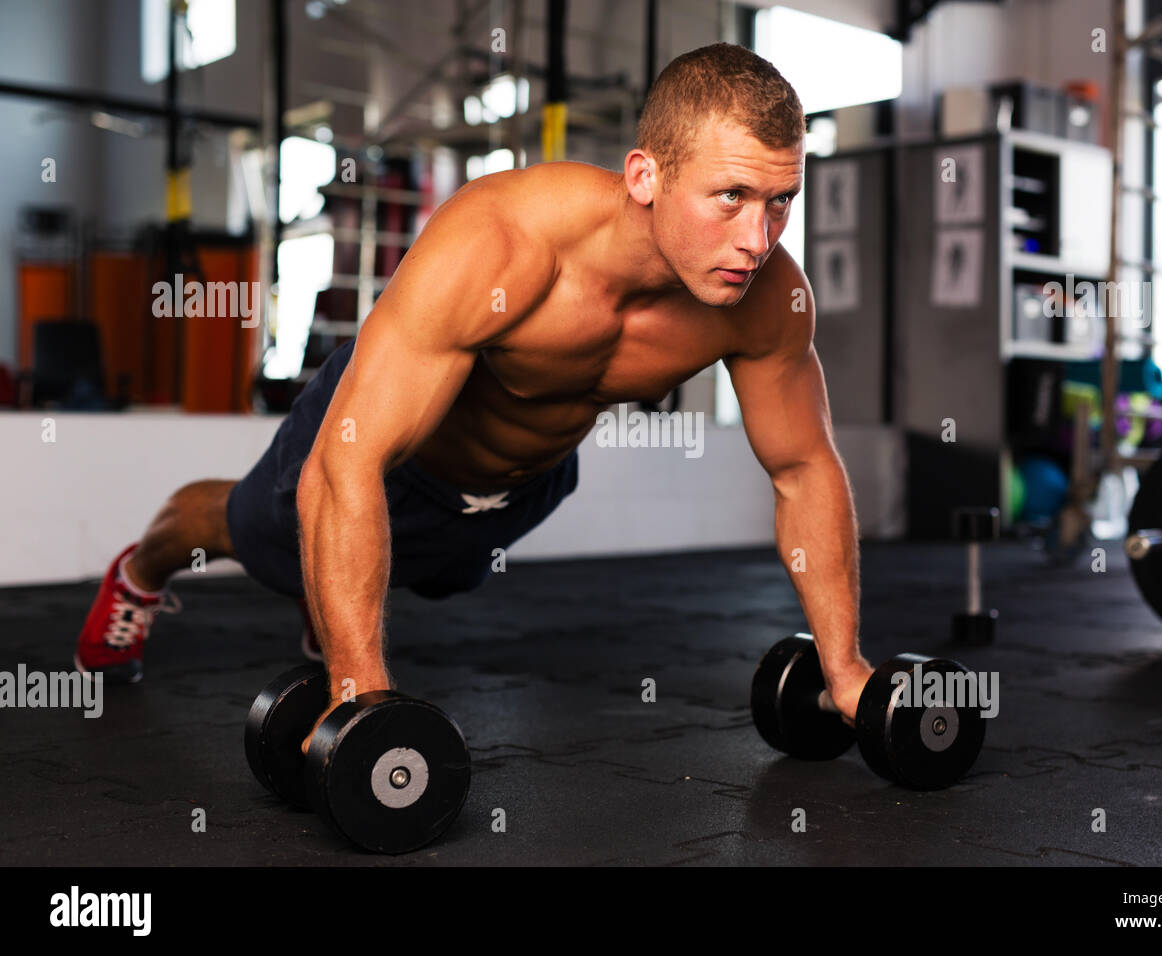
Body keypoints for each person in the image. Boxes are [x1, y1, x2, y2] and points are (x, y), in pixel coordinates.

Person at [74, 42, 873, 746]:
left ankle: (333, 605)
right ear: (645, 176)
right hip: (383, 449)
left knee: (432, 576)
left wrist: (845, 673)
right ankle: (140, 574)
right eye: (730, 196)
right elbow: (345, 467)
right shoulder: (503, 242)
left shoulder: (768, 299)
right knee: (249, 531)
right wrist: (360, 704)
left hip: (520, 488)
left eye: (780, 202)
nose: (758, 238)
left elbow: (804, 468)